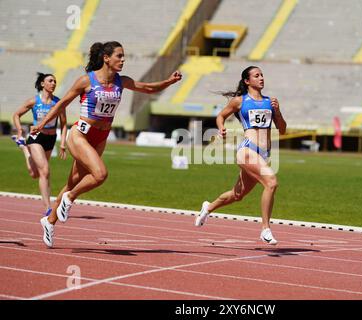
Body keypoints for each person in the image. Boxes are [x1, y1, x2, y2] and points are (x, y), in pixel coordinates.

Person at [31, 41, 182, 247]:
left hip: (100, 138)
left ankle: (49, 221)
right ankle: (70, 198)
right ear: (106, 58)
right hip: (80, 135)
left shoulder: (121, 81)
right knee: (100, 175)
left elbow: (147, 88)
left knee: (72, 183)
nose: (123, 60)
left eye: (123, 56)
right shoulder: (86, 80)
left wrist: (169, 82)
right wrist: (41, 123)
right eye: (119, 56)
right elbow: (62, 103)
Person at [194, 66, 287, 245]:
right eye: (256, 75)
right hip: (247, 150)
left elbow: (282, 130)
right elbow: (221, 116)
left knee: (237, 195)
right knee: (271, 182)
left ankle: (208, 207)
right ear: (247, 81)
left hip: (263, 154)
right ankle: (265, 229)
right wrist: (221, 128)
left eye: (262, 75)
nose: (261, 78)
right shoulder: (240, 101)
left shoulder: (270, 102)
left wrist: (278, 112)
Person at [12, 72, 68, 216]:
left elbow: (63, 124)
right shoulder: (34, 101)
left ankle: (24, 148)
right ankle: (48, 208)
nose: (53, 83)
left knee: (35, 174)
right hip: (36, 137)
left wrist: (62, 143)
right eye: (50, 81)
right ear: (43, 84)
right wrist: (19, 130)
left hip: (50, 138)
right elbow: (16, 114)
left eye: (55, 81)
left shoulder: (58, 103)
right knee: (45, 171)